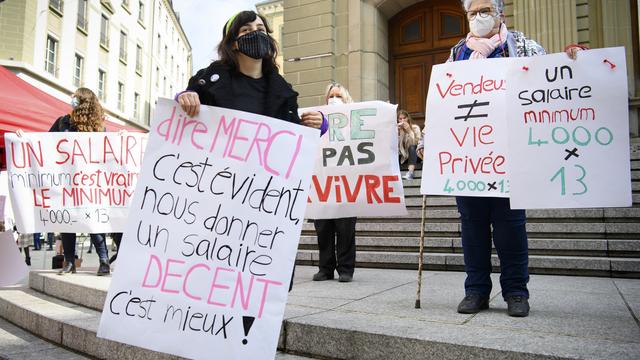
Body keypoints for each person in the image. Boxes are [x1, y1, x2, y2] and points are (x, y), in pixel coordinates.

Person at [417, 0, 586, 317]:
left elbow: (554, 80)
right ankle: (476, 291)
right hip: (469, 158)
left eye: (485, 11)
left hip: (509, 158)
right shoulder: (458, 54)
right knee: (472, 228)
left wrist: (574, 61)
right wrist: (428, 141)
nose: (478, 17)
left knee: (510, 228)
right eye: (472, 12)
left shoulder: (522, 46)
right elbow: (442, 102)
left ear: (500, 14)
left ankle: (516, 292)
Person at [177, 10, 327, 291]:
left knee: (259, 286)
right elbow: (184, 120)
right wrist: (184, 99)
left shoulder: (282, 89)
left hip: (265, 204)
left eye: (261, 28)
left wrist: (318, 125)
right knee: (216, 280)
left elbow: (292, 142)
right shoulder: (210, 81)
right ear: (233, 43)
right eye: (246, 30)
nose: (256, 34)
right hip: (219, 199)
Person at [48, 88, 110, 276]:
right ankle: (69, 261)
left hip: (90, 183)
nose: (71, 100)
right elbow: (44, 143)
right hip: (67, 182)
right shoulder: (62, 122)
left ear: (83, 103)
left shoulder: (100, 129)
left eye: (75, 98)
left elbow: (108, 153)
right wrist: (23, 138)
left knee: (94, 222)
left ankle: (104, 260)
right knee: (68, 221)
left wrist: (121, 138)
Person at [311, 83, 357, 283]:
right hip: (323, 183)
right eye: (331, 95)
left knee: (345, 229)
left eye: (338, 95)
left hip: (346, 183)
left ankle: (346, 269)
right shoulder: (317, 120)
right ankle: (325, 268)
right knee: (323, 229)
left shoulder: (354, 122)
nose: (334, 98)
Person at [397, 110, 421, 180]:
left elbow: (416, 144)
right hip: (403, 157)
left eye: (404, 118)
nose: (402, 120)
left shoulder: (415, 128)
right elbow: (395, 147)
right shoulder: (397, 130)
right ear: (398, 120)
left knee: (412, 147)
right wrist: (397, 134)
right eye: (400, 119)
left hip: (415, 155)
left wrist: (409, 130)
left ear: (408, 118)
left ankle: (410, 173)